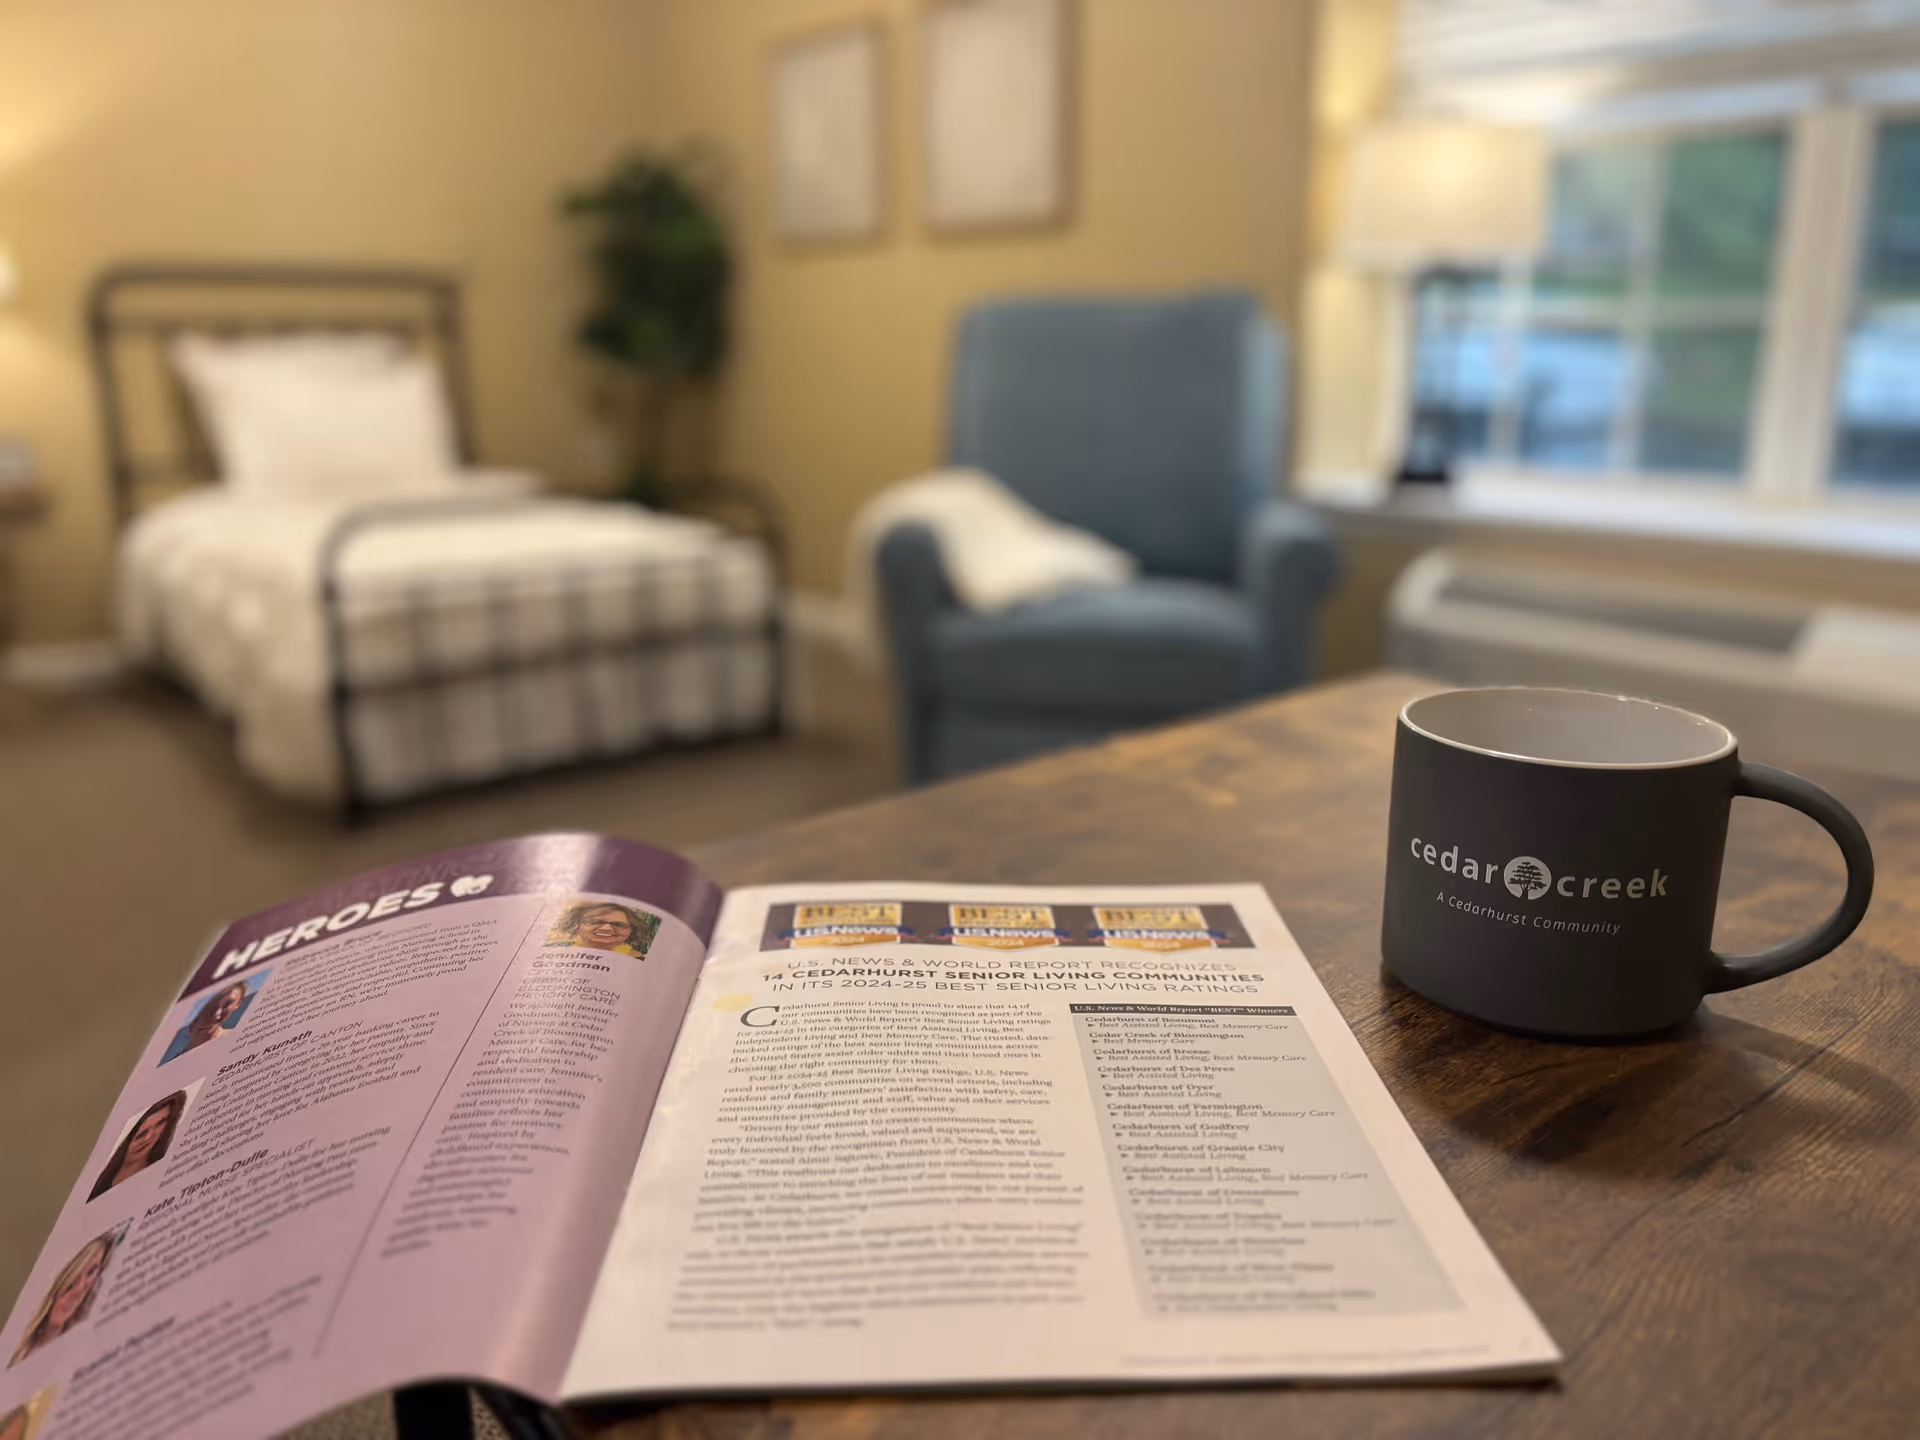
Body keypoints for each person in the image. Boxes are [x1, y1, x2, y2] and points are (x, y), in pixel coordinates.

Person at [10, 1233, 116, 1366]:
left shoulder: (85, 1328)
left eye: (92, 1271)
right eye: (70, 1285)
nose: (79, 1289)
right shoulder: (23, 1351)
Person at [87, 1092, 187, 1201]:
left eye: (160, 1123)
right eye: (141, 1134)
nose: (147, 1138)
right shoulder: (101, 1175)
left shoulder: (155, 1177)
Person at [159, 981, 249, 1065]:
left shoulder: (240, 1039)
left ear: (238, 1003)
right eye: (211, 1007)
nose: (216, 1016)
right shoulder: (175, 1053)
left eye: (228, 1003)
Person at [546, 901, 657, 956]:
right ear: (577, 924)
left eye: (619, 925)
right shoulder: (553, 950)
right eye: (597, 922)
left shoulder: (634, 957)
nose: (607, 928)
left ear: (631, 931)